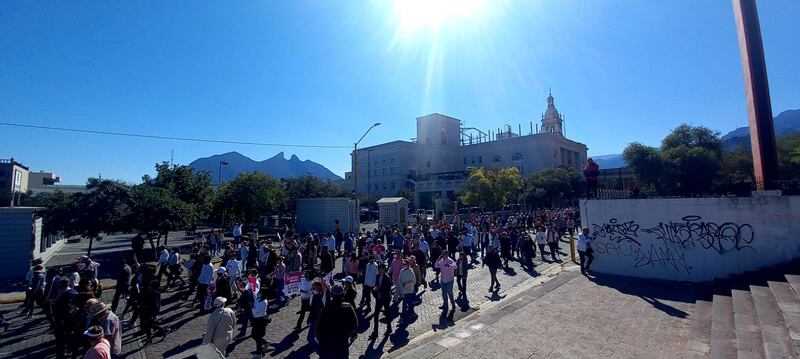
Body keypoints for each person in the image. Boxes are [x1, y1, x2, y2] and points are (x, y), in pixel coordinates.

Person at [315, 284, 358, 359]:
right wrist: (345, 335)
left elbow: (317, 328)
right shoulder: (348, 307)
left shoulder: (326, 308)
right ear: (342, 294)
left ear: (332, 294)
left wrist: (322, 340)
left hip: (327, 347)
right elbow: (355, 324)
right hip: (342, 347)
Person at [371, 263, 392, 336]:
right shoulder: (377, 276)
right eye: (378, 269)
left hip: (386, 298)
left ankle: (389, 328)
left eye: (380, 269)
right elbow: (376, 285)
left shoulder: (387, 278)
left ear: (384, 269)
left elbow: (388, 288)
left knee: (387, 313)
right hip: (379, 298)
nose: (379, 271)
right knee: (376, 314)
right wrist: (375, 289)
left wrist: (378, 289)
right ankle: (375, 331)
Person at [251, 288, 270, 355]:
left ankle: (259, 353)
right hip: (257, 319)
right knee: (254, 335)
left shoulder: (263, 302)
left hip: (260, 320)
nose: (259, 293)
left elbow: (256, 312)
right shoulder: (259, 298)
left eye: (260, 292)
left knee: (257, 337)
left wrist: (252, 307)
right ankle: (265, 343)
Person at [397, 259, 417, 324]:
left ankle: (402, 317)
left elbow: (414, 281)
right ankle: (412, 312)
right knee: (409, 302)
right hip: (403, 289)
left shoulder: (411, 272)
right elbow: (399, 279)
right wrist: (401, 285)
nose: (404, 265)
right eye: (403, 264)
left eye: (405, 264)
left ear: (408, 265)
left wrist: (407, 284)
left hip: (409, 290)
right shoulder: (401, 271)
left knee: (404, 304)